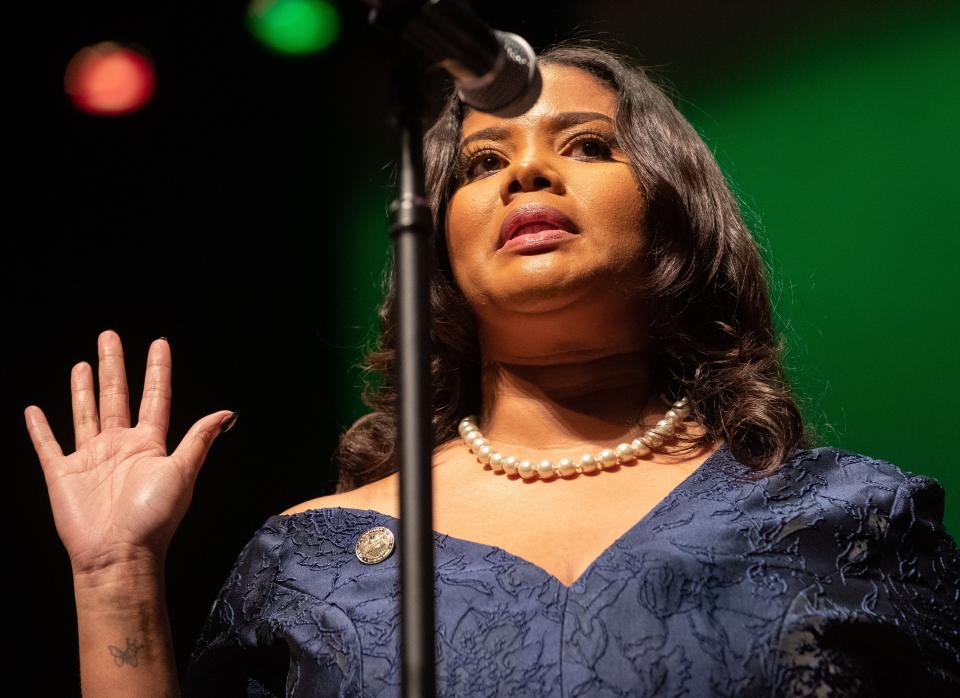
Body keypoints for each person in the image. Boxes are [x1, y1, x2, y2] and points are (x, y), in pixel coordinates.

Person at [26, 41, 959, 696]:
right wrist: (115, 575)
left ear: (675, 216)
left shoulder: (845, 520)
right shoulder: (311, 561)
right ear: (433, 244)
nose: (528, 175)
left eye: (588, 146)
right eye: (482, 160)